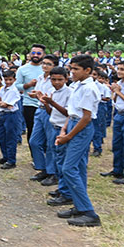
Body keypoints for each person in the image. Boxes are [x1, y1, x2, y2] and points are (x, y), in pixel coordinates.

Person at [53, 54, 102, 227]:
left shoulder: (89, 88)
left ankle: (89, 213)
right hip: (73, 124)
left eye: (76, 69)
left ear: (88, 70)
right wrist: (64, 128)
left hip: (80, 129)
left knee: (68, 168)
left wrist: (69, 135)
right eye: (71, 68)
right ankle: (79, 206)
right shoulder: (76, 85)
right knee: (79, 168)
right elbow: (72, 111)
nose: (71, 72)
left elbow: (86, 117)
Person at [39, 66, 72, 207]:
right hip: (53, 126)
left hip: (62, 128)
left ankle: (66, 191)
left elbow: (67, 113)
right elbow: (50, 112)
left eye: (60, 79)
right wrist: (46, 103)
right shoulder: (52, 91)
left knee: (63, 160)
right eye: (54, 79)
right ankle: (62, 188)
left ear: (66, 79)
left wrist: (52, 102)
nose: (57, 82)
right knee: (57, 157)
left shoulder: (70, 93)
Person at [100, 60, 124, 185]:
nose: (119, 71)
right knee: (117, 144)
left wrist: (119, 92)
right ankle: (117, 169)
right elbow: (115, 99)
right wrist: (115, 91)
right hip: (119, 114)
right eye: (118, 69)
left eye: (122, 69)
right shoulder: (119, 82)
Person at [27, 54, 58, 184]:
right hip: (39, 109)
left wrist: (40, 97)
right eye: (43, 63)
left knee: (51, 143)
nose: (44, 66)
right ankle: (43, 167)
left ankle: (52, 173)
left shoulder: (56, 79)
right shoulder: (40, 78)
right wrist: (35, 95)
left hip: (51, 111)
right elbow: (38, 93)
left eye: (48, 64)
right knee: (34, 141)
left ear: (55, 66)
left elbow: (51, 98)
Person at [14, 44, 46, 144]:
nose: (35, 55)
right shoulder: (22, 69)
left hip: (46, 104)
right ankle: (34, 157)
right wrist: (28, 85)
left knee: (45, 131)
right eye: (33, 53)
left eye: (39, 53)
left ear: (43, 55)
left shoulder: (47, 68)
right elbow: (17, 85)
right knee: (31, 130)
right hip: (29, 103)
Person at [0, 69, 21, 169]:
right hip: (2, 114)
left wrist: (1, 103)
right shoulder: (3, 88)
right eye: (6, 80)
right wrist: (2, 103)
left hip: (11, 115)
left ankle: (11, 160)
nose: (8, 82)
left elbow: (7, 104)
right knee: (2, 136)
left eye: (10, 79)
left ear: (14, 79)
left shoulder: (13, 90)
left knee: (10, 137)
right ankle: (5, 156)